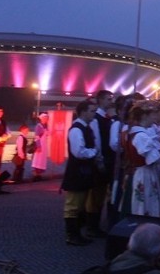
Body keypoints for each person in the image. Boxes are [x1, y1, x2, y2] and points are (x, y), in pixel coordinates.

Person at [62, 99, 100, 246]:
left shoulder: (85, 128)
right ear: (83, 112)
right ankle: (71, 235)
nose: (94, 114)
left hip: (83, 171)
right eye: (92, 111)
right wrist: (94, 152)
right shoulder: (77, 129)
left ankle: (77, 233)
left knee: (80, 204)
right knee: (73, 205)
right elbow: (78, 152)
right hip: (76, 172)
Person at [86, 89, 115, 237]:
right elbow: (96, 141)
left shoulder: (106, 118)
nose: (111, 101)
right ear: (101, 100)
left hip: (107, 160)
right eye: (109, 99)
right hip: (101, 160)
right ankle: (92, 226)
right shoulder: (97, 119)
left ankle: (94, 224)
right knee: (96, 195)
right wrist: (100, 160)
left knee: (102, 193)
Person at [31, 112, 49, 181]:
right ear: (41, 119)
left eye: (47, 118)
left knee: (42, 160)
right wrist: (38, 146)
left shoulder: (46, 126)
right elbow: (37, 137)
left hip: (44, 145)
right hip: (40, 144)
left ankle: (39, 174)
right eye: (45, 118)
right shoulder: (38, 126)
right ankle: (35, 174)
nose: (46, 119)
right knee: (37, 160)